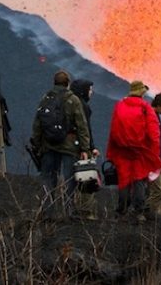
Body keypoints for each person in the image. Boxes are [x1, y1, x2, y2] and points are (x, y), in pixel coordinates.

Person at [31, 70, 91, 218]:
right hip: (69, 145)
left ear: (54, 82)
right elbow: (82, 125)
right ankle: (68, 210)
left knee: (48, 177)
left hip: (48, 144)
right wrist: (85, 148)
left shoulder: (46, 98)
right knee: (69, 179)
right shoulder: (73, 100)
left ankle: (47, 211)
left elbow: (38, 123)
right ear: (68, 83)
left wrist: (37, 144)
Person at [106, 80, 161, 222]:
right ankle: (138, 211)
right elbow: (154, 133)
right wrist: (154, 154)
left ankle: (121, 210)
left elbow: (113, 129)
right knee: (139, 179)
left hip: (122, 149)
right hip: (141, 150)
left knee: (124, 179)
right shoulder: (146, 108)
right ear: (142, 93)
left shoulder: (119, 105)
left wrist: (112, 151)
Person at [70, 78, 99, 220]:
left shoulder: (69, 102)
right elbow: (85, 129)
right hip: (81, 148)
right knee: (86, 178)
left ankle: (73, 208)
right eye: (90, 89)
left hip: (68, 146)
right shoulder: (82, 106)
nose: (91, 92)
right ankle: (86, 211)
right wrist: (89, 148)